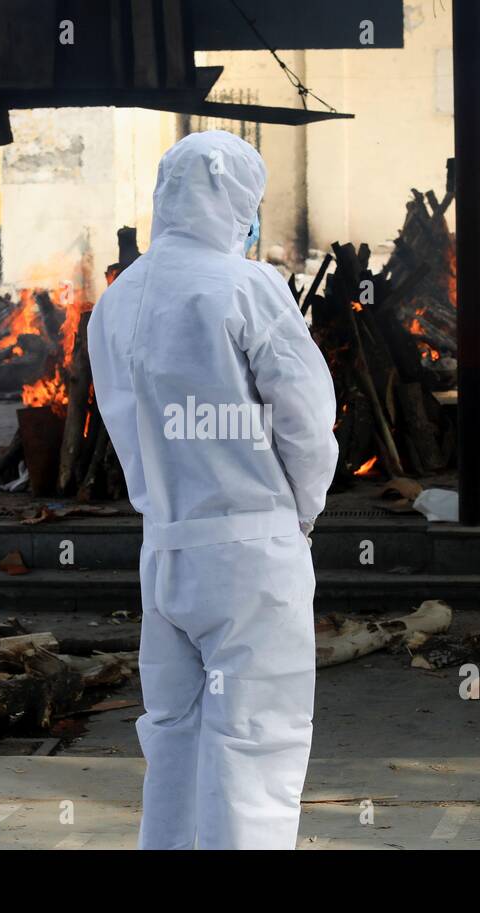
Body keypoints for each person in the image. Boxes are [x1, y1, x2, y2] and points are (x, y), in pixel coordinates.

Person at [87, 130, 338, 849]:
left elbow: (131, 434)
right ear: (234, 202)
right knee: (254, 750)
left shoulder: (118, 301)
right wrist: (303, 510)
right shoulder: (246, 286)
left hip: (165, 554)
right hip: (251, 554)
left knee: (174, 744)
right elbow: (306, 421)